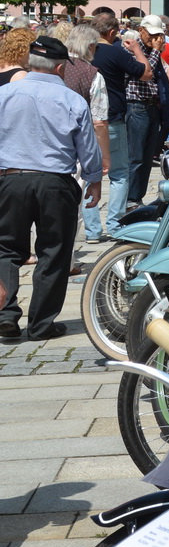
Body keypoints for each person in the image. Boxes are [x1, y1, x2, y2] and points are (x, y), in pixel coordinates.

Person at [0, 34, 102, 341]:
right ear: (59, 69)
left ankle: (5, 314)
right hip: (55, 182)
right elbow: (88, 148)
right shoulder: (71, 99)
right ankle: (42, 323)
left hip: (10, 179)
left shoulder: (4, 94)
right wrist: (95, 180)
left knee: (5, 248)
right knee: (54, 252)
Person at [91, 10, 149, 234]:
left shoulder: (84, 54)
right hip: (112, 116)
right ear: (113, 32)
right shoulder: (115, 52)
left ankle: (92, 231)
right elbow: (145, 73)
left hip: (86, 119)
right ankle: (114, 225)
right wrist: (136, 49)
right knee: (119, 174)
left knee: (90, 174)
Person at [64, 21, 111, 244]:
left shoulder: (51, 66)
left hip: (42, 145)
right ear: (90, 47)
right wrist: (104, 156)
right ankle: (67, 259)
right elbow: (99, 121)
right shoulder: (93, 74)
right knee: (73, 204)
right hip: (76, 147)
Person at [122, 17, 169, 205]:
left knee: (148, 156)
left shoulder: (153, 51)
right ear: (142, 31)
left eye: (159, 35)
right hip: (137, 105)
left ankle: (138, 197)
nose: (155, 39)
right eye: (152, 35)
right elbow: (145, 72)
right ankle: (130, 198)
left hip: (152, 106)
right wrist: (157, 51)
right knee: (135, 156)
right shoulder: (133, 49)